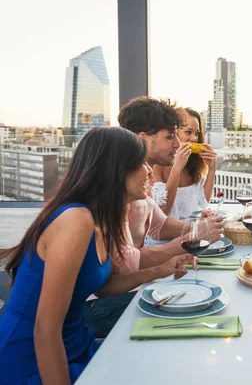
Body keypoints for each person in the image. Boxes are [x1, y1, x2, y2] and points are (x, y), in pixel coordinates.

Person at [0, 127, 193, 384]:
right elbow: (45, 331)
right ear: (116, 169)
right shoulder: (75, 220)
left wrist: (160, 270)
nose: (149, 171)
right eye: (140, 163)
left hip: (76, 343)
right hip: (33, 359)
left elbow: (103, 288)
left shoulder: (103, 218)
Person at [83, 97, 225, 338]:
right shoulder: (117, 188)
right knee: (199, 310)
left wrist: (200, 228)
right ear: (143, 139)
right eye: (170, 136)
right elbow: (122, 263)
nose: (178, 143)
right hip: (95, 305)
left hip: (123, 287)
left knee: (200, 296)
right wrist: (188, 240)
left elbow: (161, 226)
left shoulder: (141, 179)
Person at [152, 107, 218, 220]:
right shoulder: (158, 164)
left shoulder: (194, 163)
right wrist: (177, 167)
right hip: (167, 234)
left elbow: (203, 202)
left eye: (196, 133)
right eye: (188, 132)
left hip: (192, 231)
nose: (194, 138)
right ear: (173, 133)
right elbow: (162, 211)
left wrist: (212, 169)